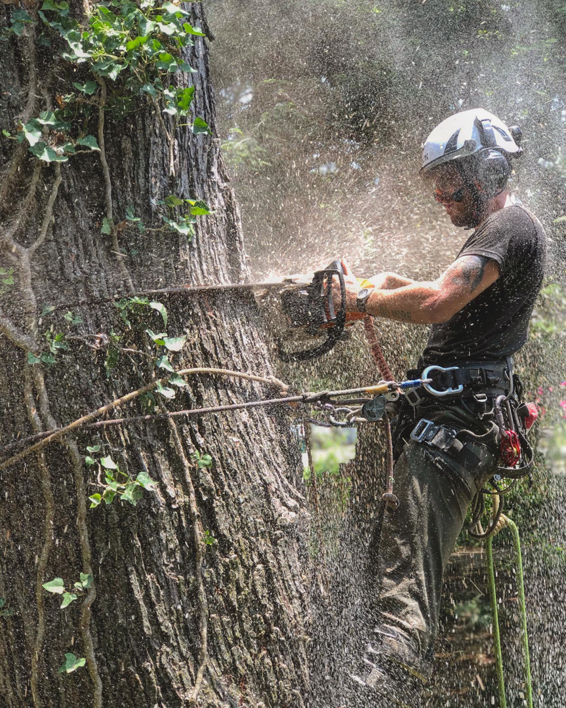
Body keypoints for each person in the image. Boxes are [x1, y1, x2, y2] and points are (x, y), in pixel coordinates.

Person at [337, 108, 547, 706]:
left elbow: (438, 301)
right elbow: (436, 295)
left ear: (489, 168)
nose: (439, 193)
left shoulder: (511, 227)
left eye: (449, 178)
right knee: (382, 547)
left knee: (406, 563)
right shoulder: (494, 239)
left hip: (453, 428)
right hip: (441, 420)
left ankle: (381, 680)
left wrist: (365, 298)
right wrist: (380, 287)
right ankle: (364, 657)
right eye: (435, 180)